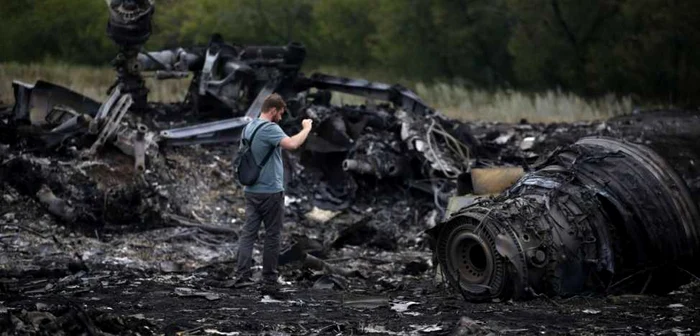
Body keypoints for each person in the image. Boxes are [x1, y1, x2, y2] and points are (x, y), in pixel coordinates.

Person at [233, 93, 312, 298]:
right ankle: (269, 277)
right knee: (272, 235)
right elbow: (293, 144)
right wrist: (307, 128)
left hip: (251, 190)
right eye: (281, 112)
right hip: (270, 192)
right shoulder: (270, 128)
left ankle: (242, 275)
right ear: (273, 110)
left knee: (248, 233)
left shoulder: (248, 127)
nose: (281, 117)